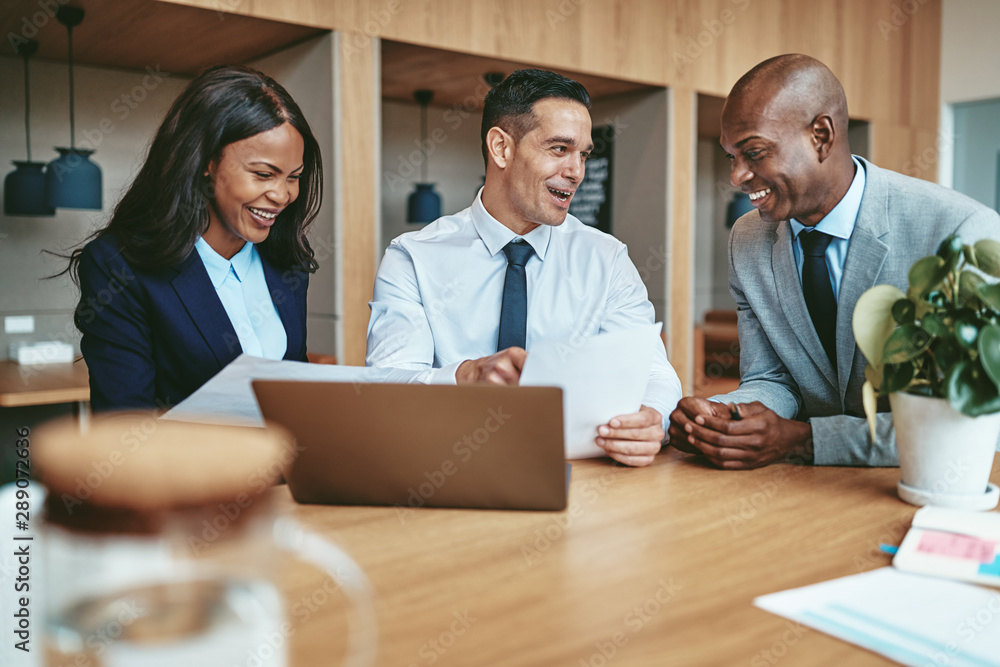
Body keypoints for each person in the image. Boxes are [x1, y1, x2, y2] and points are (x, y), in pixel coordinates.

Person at [668, 54, 1000, 469]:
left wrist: (804, 441)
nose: (736, 177)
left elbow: (965, 418)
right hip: (804, 496)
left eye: (753, 153)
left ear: (821, 136)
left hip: (918, 485)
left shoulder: (962, 232)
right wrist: (718, 416)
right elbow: (771, 380)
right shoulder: (747, 239)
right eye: (730, 157)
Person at [366, 68, 682, 467]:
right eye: (558, 149)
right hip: (446, 469)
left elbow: (654, 371)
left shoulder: (607, 258)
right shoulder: (413, 256)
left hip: (577, 477)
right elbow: (385, 384)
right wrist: (465, 376)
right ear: (501, 148)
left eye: (583, 154)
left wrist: (652, 416)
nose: (576, 172)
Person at [67, 65, 323, 412]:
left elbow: (295, 389)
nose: (282, 195)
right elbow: (123, 426)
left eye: (294, 177)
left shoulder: (286, 261)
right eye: (264, 174)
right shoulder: (119, 265)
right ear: (206, 162)